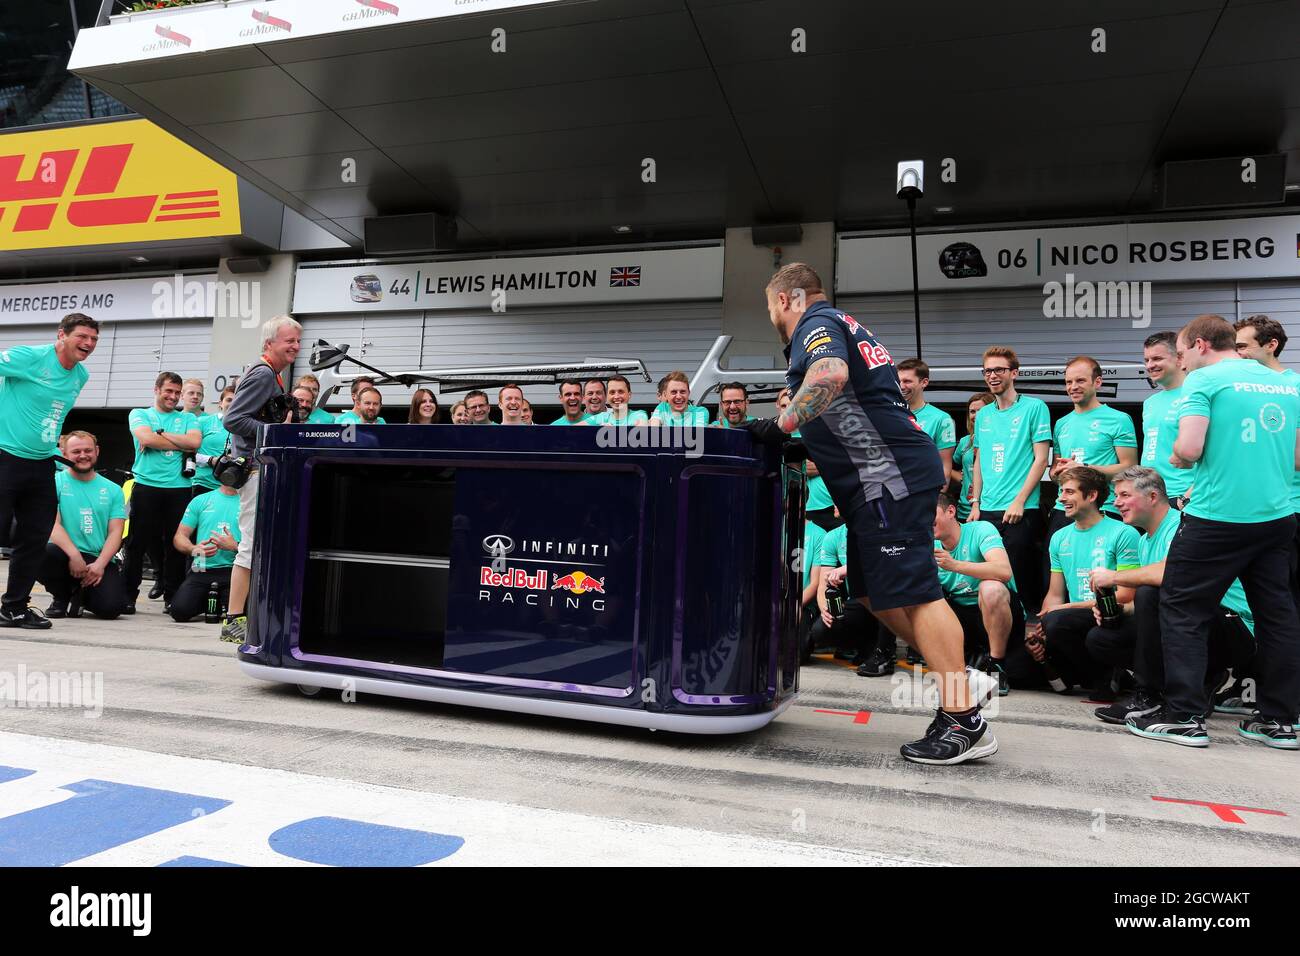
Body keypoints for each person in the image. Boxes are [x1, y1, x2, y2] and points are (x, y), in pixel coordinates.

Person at [747, 262, 997, 765]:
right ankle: (960, 679)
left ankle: (962, 716)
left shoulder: (816, 324)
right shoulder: (844, 324)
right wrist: (802, 446)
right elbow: (854, 412)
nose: (772, 314)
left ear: (787, 299)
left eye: (770, 304)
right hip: (874, 481)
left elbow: (832, 376)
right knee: (874, 595)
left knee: (915, 593)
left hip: (891, 478)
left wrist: (780, 425)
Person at [1128, 315, 1300, 749]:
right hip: (1277, 516)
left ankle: (1183, 716)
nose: (1181, 362)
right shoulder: (1287, 384)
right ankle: (1281, 721)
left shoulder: (1202, 383)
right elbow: (1298, 458)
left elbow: (1187, 450)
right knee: (1277, 616)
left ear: (1200, 345)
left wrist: (1180, 457)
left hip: (1217, 517)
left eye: (1182, 353)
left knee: (1182, 607)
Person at [1086, 466, 1255, 726]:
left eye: (1123, 495)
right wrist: (1122, 610)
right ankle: (1195, 682)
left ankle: (1149, 696)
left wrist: (1114, 577)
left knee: (1150, 592)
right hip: (1192, 620)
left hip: (1233, 627)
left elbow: (1173, 574)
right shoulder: (1144, 541)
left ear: (1152, 497)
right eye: (1116, 496)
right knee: (1104, 637)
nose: (1116, 502)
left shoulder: (1182, 525)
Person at [0, 313, 98, 628]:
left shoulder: (80, 375)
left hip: (42, 463)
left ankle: (13, 607)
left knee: (34, 539)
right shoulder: (29, 357)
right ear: (61, 335)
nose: (89, 343)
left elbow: (48, 414)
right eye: (82, 336)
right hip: (6, 457)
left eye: (94, 339)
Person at [221, 315, 302, 645]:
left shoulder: (274, 375)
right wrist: (274, 434)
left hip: (262, 469)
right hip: (254, 470)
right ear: (269, 344)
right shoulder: (264, 373)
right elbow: (233, 419)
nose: (296, 346)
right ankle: (233, 619)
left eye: (298, 341)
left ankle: (248, 614)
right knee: (251, 544)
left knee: (260, 545)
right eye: (289, 341)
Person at [1030, 466, 1140, 695]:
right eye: (1061, 491)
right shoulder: (1060, 538)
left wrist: (1062, 610)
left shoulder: (1123, 533)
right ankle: (1102, 677)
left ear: (1091, 496)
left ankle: (1109, 675)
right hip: (1071, 619)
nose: (1061, 498)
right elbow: (1055, 593)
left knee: (1060, 622)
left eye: (1069, 492)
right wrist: (1042, 627)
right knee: (1020, 665)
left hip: (1110, 616)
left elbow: (1126, 596)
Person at [969, 346, 1052, 618]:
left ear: (1014, 373)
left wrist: (1019, 500)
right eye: (988, 371)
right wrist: (976, 503)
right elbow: (979, 460)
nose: (993, 376)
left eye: (999, 370)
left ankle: (1026, 634)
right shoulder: (983, 415)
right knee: (989, 577)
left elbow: (1041, 460)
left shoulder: (1034, 407)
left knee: (1020, 576)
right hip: (987, 509)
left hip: (1020, 509)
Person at [1234, 314, 1300, 608]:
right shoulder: (1238, 386)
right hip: (1250, 511)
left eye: (1243, 346)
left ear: (1271, 345)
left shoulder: (1295, 385)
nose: (1238, 354)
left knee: (1289, 593)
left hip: (1290, 506)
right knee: (1267, 598)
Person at [124, 372, 202, 613]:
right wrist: (177, 442)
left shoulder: (188, 418)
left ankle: (172, 597)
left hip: (179, 489)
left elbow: (195, 443)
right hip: (147, 486)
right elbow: (146, 437)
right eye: (168, 391)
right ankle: (128, 596)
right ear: (156, 389)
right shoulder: (140, 414)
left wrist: (160, 436)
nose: (173, 397)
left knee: (175, 545)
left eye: (177, 393)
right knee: (137, 544)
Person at [933, 491, 1020, 695]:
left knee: (990, 587)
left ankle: (995, 665)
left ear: (951, 511)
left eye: (930, 513)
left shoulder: (980, 529)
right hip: (963, 617)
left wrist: (955, 565)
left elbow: (1003, 571)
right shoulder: (929, 544)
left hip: (999, 612)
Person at [37, 431, 127, 620]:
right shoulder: (54, 483)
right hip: (64, 553)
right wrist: (74, 555)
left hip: (97, 558)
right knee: (41, 551)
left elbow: (116, 532)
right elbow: (53, 525)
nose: (83, 455)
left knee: (111, 609)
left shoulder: (114, 489)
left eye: (88, 450)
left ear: (97, 451)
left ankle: (78, 595)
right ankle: (61, 596)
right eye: (76, 451)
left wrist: (101, 564)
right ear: (64, 455)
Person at [1046, 356, 1138, 538]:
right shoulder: (1061, 423)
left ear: (1098, 382)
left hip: (1104, 509)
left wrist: (1085, 469)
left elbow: (1130, 468)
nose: (1073, 387)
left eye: (1080, 380)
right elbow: (1056, 470)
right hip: (1063, 509)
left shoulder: (1118, 419)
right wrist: (1056, 474)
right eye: (1069, 382)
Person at [169, 483, 241, 622]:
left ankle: (218, 602)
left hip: (235, 569)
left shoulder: (250, 502)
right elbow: (180, 536)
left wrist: (235, 546)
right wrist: (193, 549)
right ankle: (210, 601)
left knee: (241, 614)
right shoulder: (201, 500)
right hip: (201, 567)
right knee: (179, 611)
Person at [1140, 332, 1192, 509]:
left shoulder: (1195, 394)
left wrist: (1187, 497)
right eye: (1146, 360)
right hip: (1150, 497)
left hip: (1181, 497)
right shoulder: (1150, 403)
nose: (1150, 365)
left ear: (1179, 358)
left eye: (1157, 358)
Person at [896, 358, 956, 477]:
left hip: (925, 490)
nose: (901, 386)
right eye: (898, 381)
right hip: (895, 490)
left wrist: (941, 493)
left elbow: (945, 464)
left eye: (907, 381)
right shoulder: (890, 414)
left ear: (924, 382)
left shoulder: (942, 419)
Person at [952, 393, 995, 522]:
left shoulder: (1000, 439)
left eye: (980, 411)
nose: (976, 415)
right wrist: (964, 480)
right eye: (972, 411)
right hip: (965, 510)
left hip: (991, 507)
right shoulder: (965, 442)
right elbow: (947, 466)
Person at [192, 386, 235, 498]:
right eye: (229, 400)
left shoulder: (244, 427)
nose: (232, 404)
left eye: (237, 400)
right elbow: (187, 453)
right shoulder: (203, 422)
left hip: (230, 488)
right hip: (202, 484)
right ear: (220, 403)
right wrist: (211, 460)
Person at [583, 375, 648, 426]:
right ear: (607, 396)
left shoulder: (638, 415)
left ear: (629, 395)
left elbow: (642, 430)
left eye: (621, 391)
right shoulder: (602, 417)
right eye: (612, 392)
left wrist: (612, 431)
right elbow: (574, 429)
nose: (616, 396)